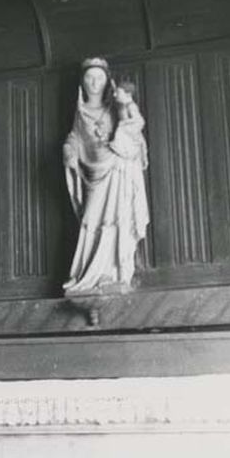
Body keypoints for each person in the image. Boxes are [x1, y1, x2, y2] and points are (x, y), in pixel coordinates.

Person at [62, 57, 150, 296]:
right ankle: (86, 275)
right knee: (91, 218)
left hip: (116, 169)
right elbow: (75, 137)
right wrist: (69, 151)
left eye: (99, 78)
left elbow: (133, 132)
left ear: (107, 81)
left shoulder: (115, 107)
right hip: (93, 172)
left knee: (117, 219)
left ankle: (113, 274)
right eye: (89, 77)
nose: (94, 82)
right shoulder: (80, 112)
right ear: (82, 81)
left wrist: (121, 133)